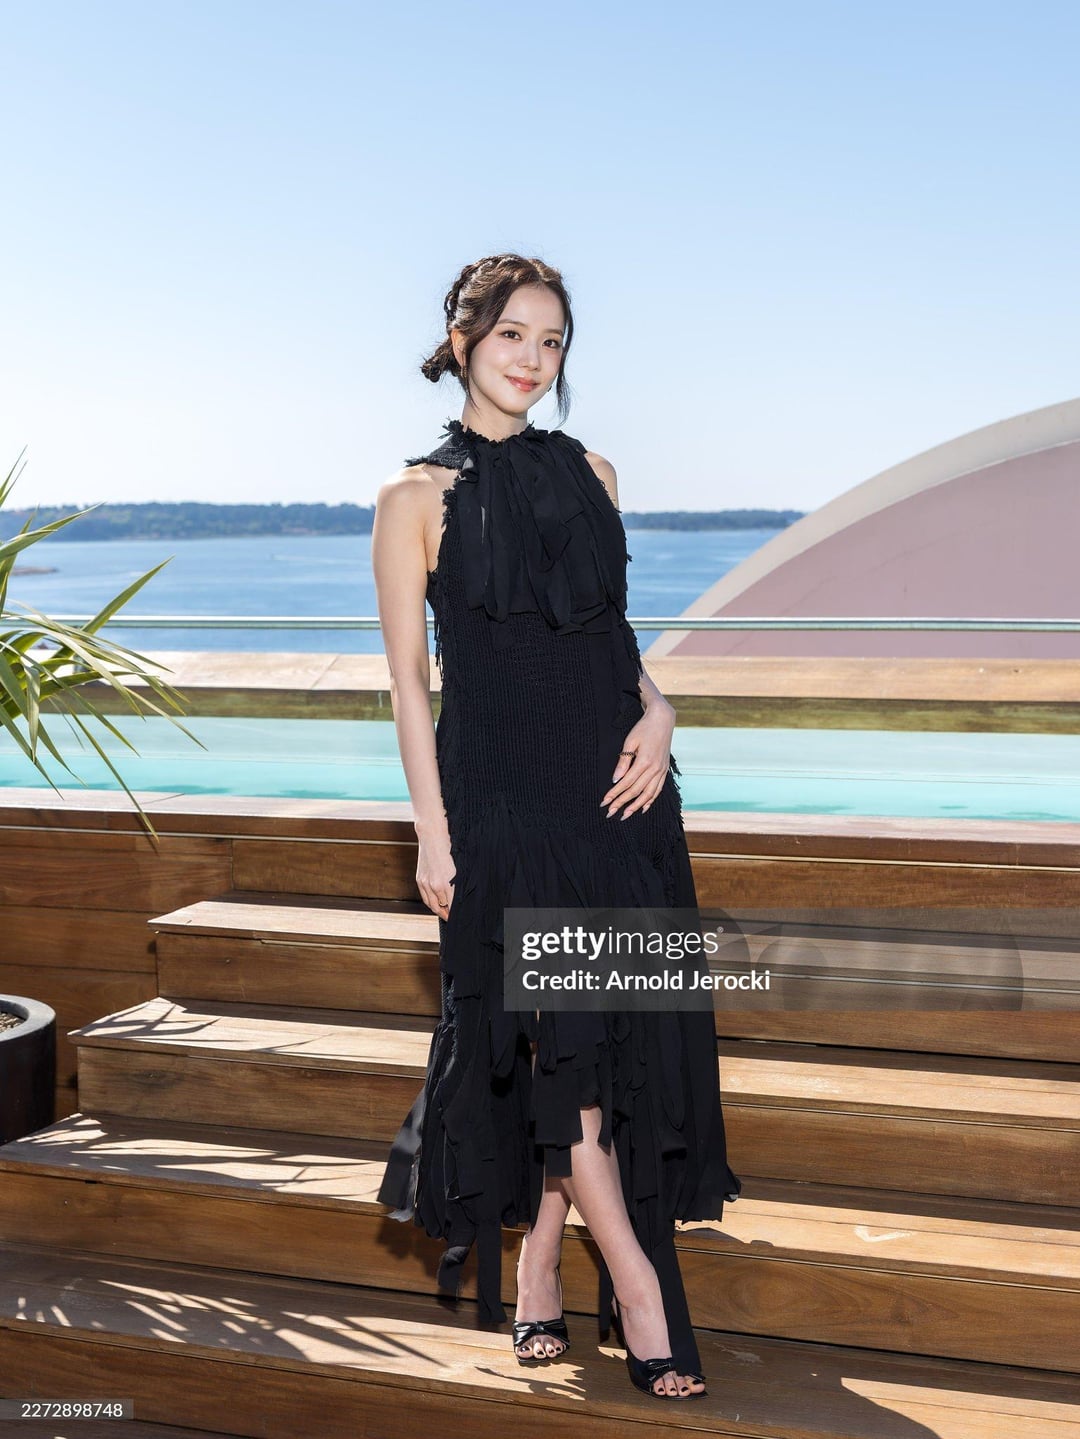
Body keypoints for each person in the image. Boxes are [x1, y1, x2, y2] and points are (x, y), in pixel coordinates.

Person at [373, 253, 740, 1401]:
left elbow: (609, 643)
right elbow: (409, 685)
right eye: (512, 335)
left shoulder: (595, 474)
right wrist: (433, 833)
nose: (533, 359)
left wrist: (661, 712)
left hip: (615, 796)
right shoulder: (412, 499)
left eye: (553, 341)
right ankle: (636, 1282)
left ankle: (538, 1262)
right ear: (462, 340)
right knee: (551, 1042)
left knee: (591, 1048)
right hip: (500, 806)